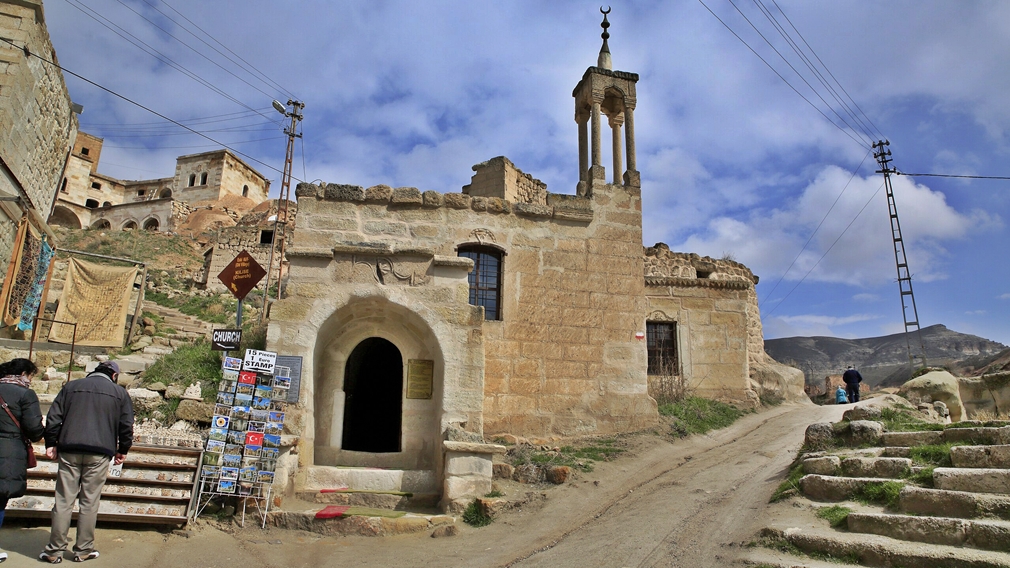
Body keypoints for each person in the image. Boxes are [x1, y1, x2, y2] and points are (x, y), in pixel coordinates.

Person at [40, 361, 133, 564]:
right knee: (89, 501)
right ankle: (83, 550)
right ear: (114, 376)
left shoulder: (71, 387)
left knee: (63, 500)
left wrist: (50, 443)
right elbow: (126, 425)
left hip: (69, 450)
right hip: (99, 453)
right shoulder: (120, 393)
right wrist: (123, 450)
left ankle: (54, 551)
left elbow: (54, 418)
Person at [0, 358, 43, 564]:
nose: (31, 380)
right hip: (8, 452)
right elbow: (34, 429)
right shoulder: (25, 394)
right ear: (24, 374)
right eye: (31, 376)